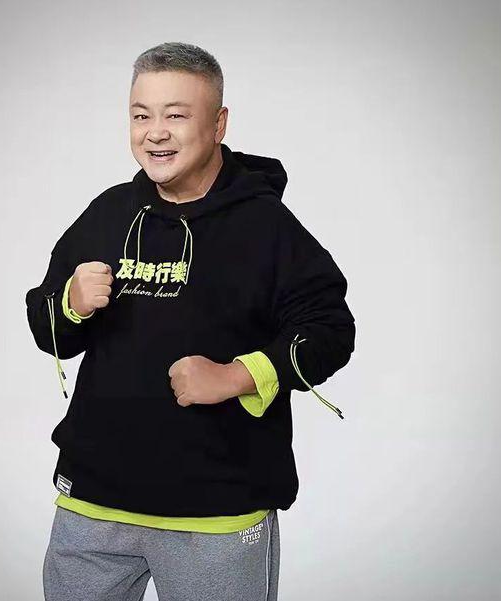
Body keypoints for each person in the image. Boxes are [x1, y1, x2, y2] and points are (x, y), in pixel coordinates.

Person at [25, 41, 356, 601]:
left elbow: (330, 329)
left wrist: (236, 376)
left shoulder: (266, 226)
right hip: (93, 504)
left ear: (219, 123)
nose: (155, 133)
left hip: (217, 512)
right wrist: (70, 303)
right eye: (141, 116)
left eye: (176, 116)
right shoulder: (108, 213)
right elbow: (45, 326)